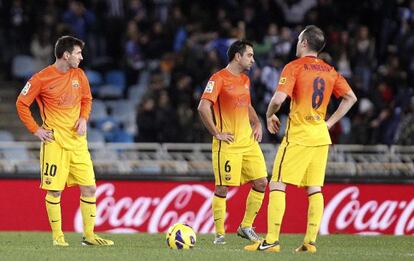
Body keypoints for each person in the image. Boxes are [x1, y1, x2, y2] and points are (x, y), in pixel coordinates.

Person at [245, 25, 357, 253]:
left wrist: (268, 115)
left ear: (304, 42)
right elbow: (350, 97)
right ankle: (310, 242)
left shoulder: (294, 67)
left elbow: (278, 99)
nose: (296, 43)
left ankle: (272, 240)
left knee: (277, 183)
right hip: (320, 136)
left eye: (298, 39)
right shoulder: (330, 70)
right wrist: (329, 123)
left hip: (299, 135)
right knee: (314, 188)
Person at [16, 36, 114, 247]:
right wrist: (36, 130)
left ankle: (89, 237)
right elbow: (21, 103)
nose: (81, 57)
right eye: (78, 53)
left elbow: (87, 99)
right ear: (66, 55)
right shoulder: (41, 79)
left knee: (90, 188)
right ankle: (58, 238)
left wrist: (83, 118)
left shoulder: (80, 75)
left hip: (78, 142)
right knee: (55, 191)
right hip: (55, 143)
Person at [198, 40, 268, 244]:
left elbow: (246, 104)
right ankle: (219, 235)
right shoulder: (218, 79)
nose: (253, 60)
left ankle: (246, 226)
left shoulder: (245, 80)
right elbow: (203, 107)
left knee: (262, 182)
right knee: (222, 188)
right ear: (238, 56)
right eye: (250, 55)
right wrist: (217, 133)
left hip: (248, 142)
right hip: (227, 145)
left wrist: (257, 122)